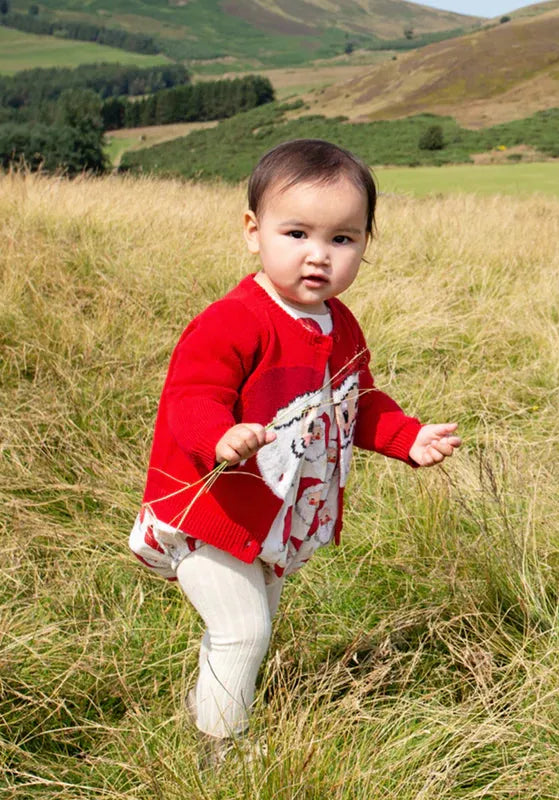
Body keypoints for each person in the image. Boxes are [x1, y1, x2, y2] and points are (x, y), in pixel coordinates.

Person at [129, 138, 461, 759]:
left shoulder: (341, 323)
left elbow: (356, 401)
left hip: (271, 514)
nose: (318, 256)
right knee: (244, 627)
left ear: (366, 242)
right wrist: (219, 435)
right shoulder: (234, 320)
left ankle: (210, 707)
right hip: (209, 507)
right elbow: (191, 398)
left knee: (248, 624)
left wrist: (407, 436)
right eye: (297, 233)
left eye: (342, 239)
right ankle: (220, 750)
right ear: (254, 231)